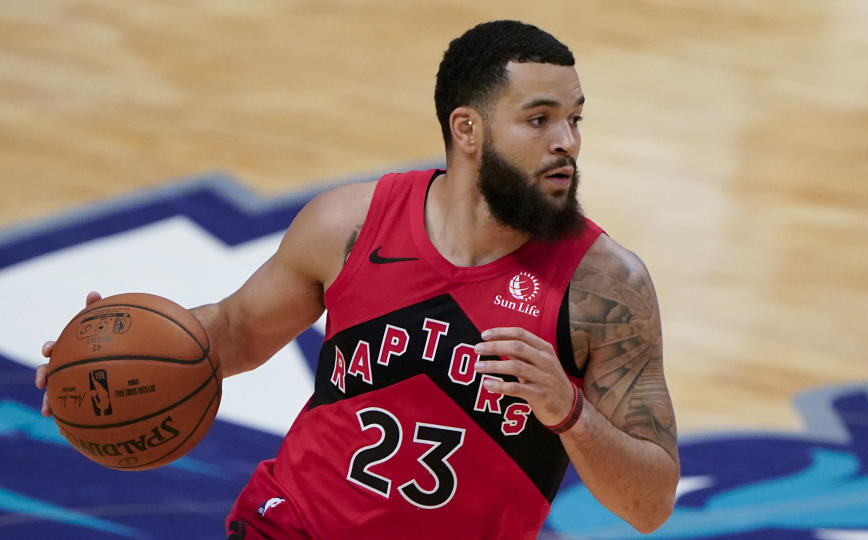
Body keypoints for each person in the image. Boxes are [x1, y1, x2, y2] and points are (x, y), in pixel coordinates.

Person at [36, 20, 679, 539]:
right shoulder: (350, 224)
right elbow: (232, 331)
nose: (566, 141)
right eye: (540, 120)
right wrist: (103, 363)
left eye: (575, 119)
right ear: (468, 130)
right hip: (292, 526)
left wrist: (570, 415)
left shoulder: (605, 288)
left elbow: (649, 506)